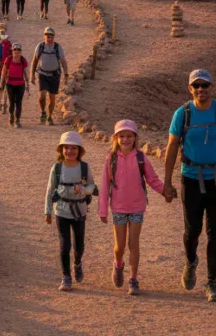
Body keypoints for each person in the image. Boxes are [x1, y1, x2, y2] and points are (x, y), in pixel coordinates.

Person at [162, 69, 216, 303]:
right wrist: (167, 183)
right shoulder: (183, 114)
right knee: (192, 231)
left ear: (211, 87)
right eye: (196, 86)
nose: (201, 90)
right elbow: (171, 149)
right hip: (190, 178)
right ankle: (190, 261)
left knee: (215, 233)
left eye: (205, 86)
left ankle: (211, 282)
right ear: (190, 89)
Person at [99, 119, 166, 296]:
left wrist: (165, 191)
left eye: (129, 136)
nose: (125, 139)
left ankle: (133, 279)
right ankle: (118, 264)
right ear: (116, 138)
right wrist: (103, 210)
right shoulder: (111, 159)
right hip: (118, 207)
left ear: (135, 138)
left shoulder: (141, 158)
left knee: (133, 243)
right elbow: (105, 185)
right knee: (119, 246)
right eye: (122, 136)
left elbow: (152, 179)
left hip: (137, 207)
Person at [45, 131, 96, 292]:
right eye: (67, 148)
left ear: (79, 151)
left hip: (79, 211)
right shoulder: (57, 168)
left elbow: (92, 186)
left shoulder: (84, 167)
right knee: (64, 244)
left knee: (79, 244)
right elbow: (50, 189)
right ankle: (66, 276)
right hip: (61, 210)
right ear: (61, 150)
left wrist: (84, 190)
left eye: (74, 148)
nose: (70, 151)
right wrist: (47, 211)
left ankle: (77, 263)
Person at [31, 27, 68, 125]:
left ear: (54, 37)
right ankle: (43, 112)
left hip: (55, 75)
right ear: (44, 36)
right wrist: (32, 75)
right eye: (47, 36)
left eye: (51, 36)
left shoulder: (57, 47)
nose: (49, 38)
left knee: (52, 97)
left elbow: (63, 61)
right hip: (42, 74)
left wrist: (66, 74)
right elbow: (34, 61)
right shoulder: (40, 47)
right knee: (42, 95)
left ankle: (50, 116)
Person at [0, 43, 30, 128]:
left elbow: (26, 73)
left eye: (18, 50)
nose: (16, 51)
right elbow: (3, 72)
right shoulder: (8, 59)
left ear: (21, 51)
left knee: (19, 103)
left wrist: (28, 84)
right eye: (15, 49)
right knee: (11, 102)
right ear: (12, 51)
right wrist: (1, 83)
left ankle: (17, 120)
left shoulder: (23, 60)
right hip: (10, 84)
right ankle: (11, 116)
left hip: (20, 84)